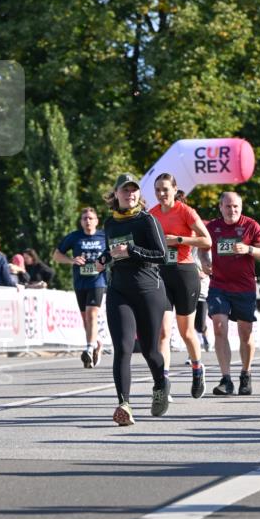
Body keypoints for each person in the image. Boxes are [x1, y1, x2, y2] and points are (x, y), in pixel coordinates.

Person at [95, 173, 169, 426]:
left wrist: (132, 250)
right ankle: (124, 404)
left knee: (150, 351)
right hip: (119, 290)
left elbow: (162, 255)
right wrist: (103, 259)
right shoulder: (110, 223)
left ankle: (161, 384)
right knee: (123, 348)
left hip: (149, 290)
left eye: (134, 190)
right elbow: (112, 249)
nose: (130, 194)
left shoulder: (147, 220)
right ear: (116, 194)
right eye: (125, 191)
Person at [200, 191, 260, 396]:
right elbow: (203, 247)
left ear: (241, 208)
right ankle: (226, 379)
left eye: (236, 207)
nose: (232, 210)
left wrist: (248, 249)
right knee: (219, 327)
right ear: (220, 207)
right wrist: (204, 261)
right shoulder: (212, 227)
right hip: (219, 285)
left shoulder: (251, 225)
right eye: (228, 206)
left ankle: (245, 374)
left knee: (245, 332)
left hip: (244, 286)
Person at [149, 173, 211, 399]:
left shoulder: (185, 211)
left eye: (165, 189)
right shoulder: (152, 214)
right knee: (163, 332)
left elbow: (207, 241)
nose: (161, 194)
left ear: (175, 189)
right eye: (157, 190)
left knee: (186, 331)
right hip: (161, 274)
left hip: (185, 273)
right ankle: (163, 383)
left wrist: (179, 240)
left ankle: (197, 369)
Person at [53, 208, 107, 368]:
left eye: (91, 218)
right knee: (85, 319)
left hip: (98, 281)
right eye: (84, 218)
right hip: (80, 282)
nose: (87, 221)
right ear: (81, 221)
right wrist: (71, 260)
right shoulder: (74, 237)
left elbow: (116, 252)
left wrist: (105, 262)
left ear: (97, 220)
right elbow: (56, 255)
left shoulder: (104, 236)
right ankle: (96, 343)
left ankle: (89, 349)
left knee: (92, 313)